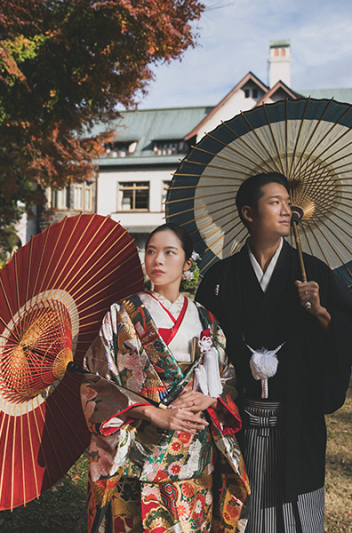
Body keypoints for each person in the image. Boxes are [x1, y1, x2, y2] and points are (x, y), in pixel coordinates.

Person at [195, 172, 352, 533]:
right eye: (275, 202)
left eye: (289, 203)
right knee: (242, 508)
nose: (287, 210)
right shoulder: (221, 277)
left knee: (297, 514)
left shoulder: (314, 273)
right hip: (238, 419)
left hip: (296, 417)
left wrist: (322, 313)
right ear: (248, 213)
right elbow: (203, 344)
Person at [80, 223, 250, 533]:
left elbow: (228, 378)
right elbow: (96, 382)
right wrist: (152, 412)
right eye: (151, 251)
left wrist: (211, 397)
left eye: (169, 252)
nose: (157, 260)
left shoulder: (205, 318)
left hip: (194, 453)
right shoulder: (121, 314)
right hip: (137, 452)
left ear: (187, 264)